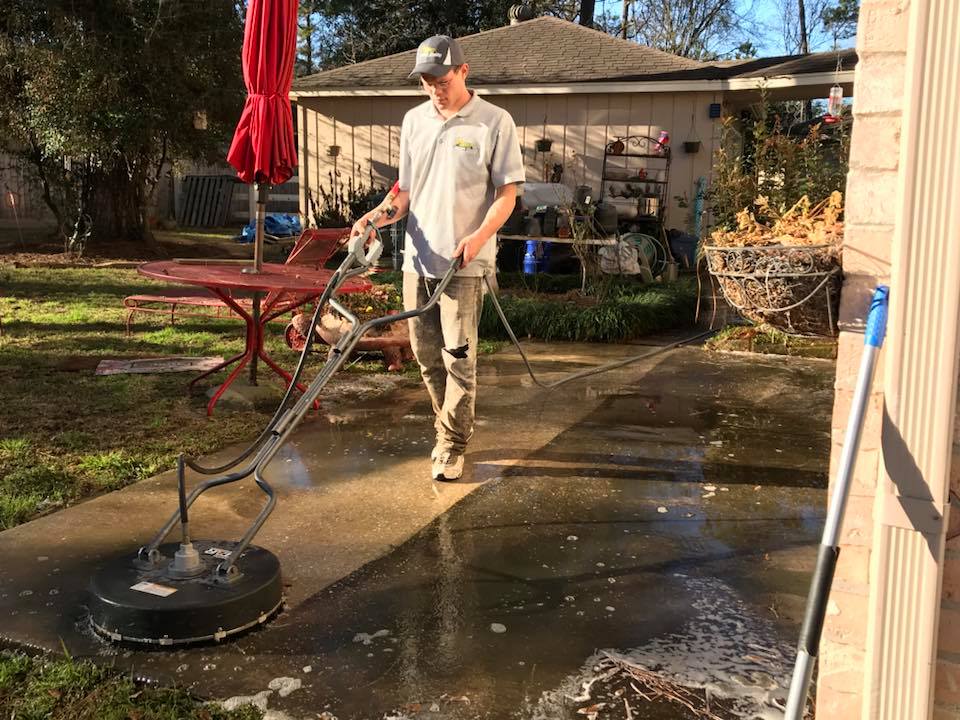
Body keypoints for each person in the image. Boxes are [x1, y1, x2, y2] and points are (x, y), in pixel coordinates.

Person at [351, 34, 524, 481]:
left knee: (458, 361)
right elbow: (404, 192)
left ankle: (451, 444)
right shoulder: (414, 122)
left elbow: (508, 194)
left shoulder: (494, 122)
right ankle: (447, 426)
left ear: (463, 72)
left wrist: (480, 236)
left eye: (442, 80)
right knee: (428, 360)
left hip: (464, 266)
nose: (434, 89)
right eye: (426, 82)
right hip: (418, 262)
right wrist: (374, 217)